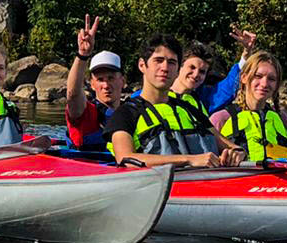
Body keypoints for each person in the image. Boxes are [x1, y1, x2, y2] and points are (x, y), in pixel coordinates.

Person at [103, 34, 243, 168]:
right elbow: (126, 158)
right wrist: (189, 160)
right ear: (142, 65)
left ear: (177, 70)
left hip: (207, 188)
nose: (165, 68)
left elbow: (233, 147)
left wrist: (237, 153)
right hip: (161, 189)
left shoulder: (191, 110)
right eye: (158, 60)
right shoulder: (125, 113)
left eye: (171, 62)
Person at [210, 50, 287, 162]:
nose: (264, 84)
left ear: (277, 85)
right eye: (258, 76)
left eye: (271, 79)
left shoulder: (281, 118)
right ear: (244, 78)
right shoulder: (221, 119)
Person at [64, 15, 125, 154]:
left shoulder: (132, 111)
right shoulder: (85, 112)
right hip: (87, 171)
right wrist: (83, 55)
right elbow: (72, 95)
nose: (106, 85)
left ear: (122, 81)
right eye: (100, 79)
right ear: (92, 84)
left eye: (111, 78)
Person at [169, 27, 258, 114]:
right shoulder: (159, 94)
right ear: (180, 66)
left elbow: (226, 89)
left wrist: (246, 53)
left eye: (202, 72)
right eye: (192, 67)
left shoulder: (203, 100)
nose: (196, 74)